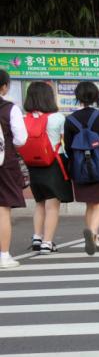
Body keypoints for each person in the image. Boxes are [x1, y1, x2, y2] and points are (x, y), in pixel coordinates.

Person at [62, 81, 99, 255]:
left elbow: (69, 146)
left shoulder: (70, 120)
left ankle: (95, 238)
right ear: (96, 96)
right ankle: (93, 233)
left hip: (80, 167)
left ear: (77, 97)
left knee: (89, 204)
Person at [19, 80, 71, 253]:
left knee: (39, 202)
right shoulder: (57, 118)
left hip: (33, 164)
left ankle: (37, 237)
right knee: (52, 205)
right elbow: (67, 141)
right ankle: (47, 242)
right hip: (54, 163)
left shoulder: (23, 118)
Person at [0, 70, 28, 269]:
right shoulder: (10, 109)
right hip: (4, 163)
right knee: (2, 209)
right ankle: (4, 256)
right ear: (4, 86)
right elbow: (21, 139)